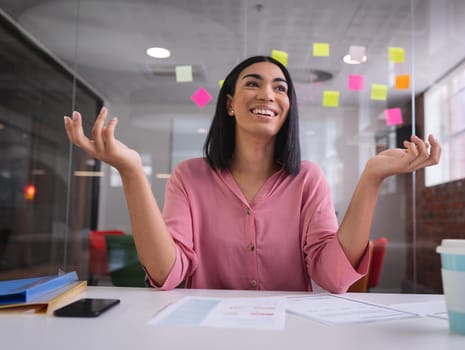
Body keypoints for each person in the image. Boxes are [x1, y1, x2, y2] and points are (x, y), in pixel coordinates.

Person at [64, 55, 441, 293]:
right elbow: (168, 274)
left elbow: (332, 277)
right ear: (229, 104)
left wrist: (371, 177)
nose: (268, 95)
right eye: (252, 83)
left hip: (289, 334)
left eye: (280, 88)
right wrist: (131, 171)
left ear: (288, 108)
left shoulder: (308, 179)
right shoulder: (189, 176)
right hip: (203, 333)